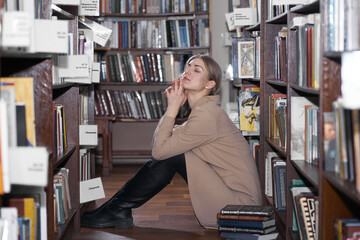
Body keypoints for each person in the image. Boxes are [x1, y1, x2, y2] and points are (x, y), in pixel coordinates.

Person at [80, 55, 262, 230]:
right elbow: (159, 146)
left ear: (210, 84)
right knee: (173, 153)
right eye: (188, 66)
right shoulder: (204, 110)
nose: (188, 71)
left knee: (174, 155)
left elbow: (159, 152)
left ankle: (115, 210)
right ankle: (115, 209)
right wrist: (172, 109)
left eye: (196, 69)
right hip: (232, 197)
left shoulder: (207, 115)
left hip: (240, 207)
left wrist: (172, 109)